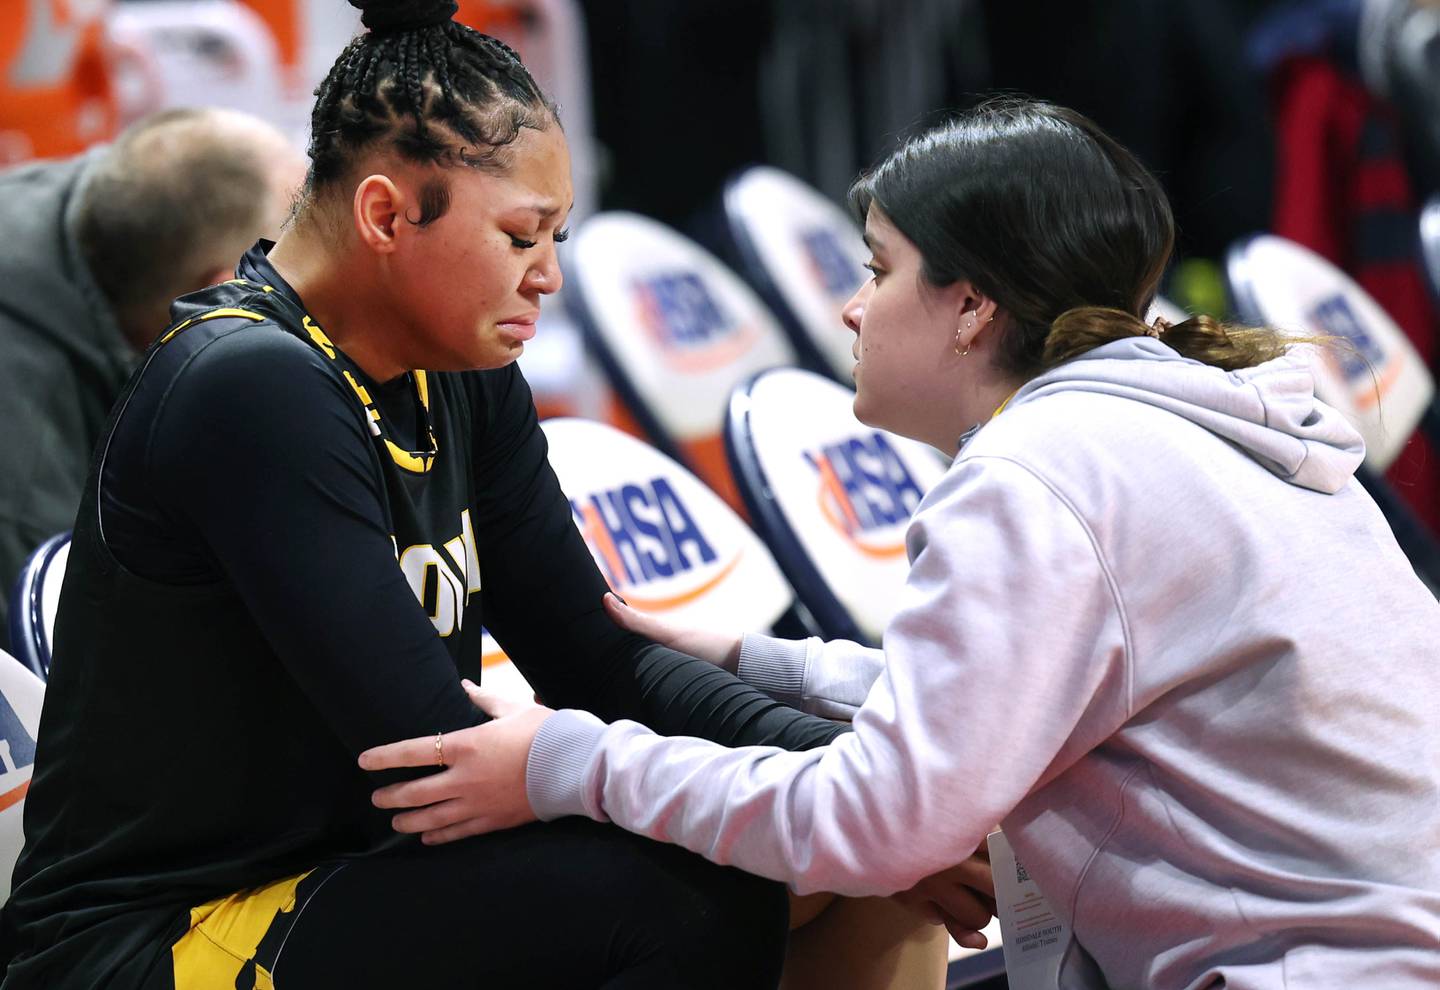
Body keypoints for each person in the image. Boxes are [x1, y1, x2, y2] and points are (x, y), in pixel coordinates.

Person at [363, 99, 1440, 989]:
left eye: (876, 270)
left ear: (969, 305)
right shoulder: (1185, 421)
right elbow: (1047, 687)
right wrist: (753, 658)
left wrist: (566, 761)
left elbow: (877, 825)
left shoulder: (1036, 472)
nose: (848, 308)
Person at [0, 4, 970, 988]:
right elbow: (427, 754)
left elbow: (600, 658)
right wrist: (815, 796)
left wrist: (871, 782)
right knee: (690, 887)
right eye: (521, 236)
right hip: (159, 935)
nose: (550, 276)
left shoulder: (457, 364)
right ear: (384, 216)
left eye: (556, 236)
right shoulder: (247, 384)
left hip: (344, 879)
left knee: (856, 857)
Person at [0, 107, 303, 644]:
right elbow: (66, 674)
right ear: (222, 293)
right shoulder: (23, 487)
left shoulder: (129, 193)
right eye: (307, 249)